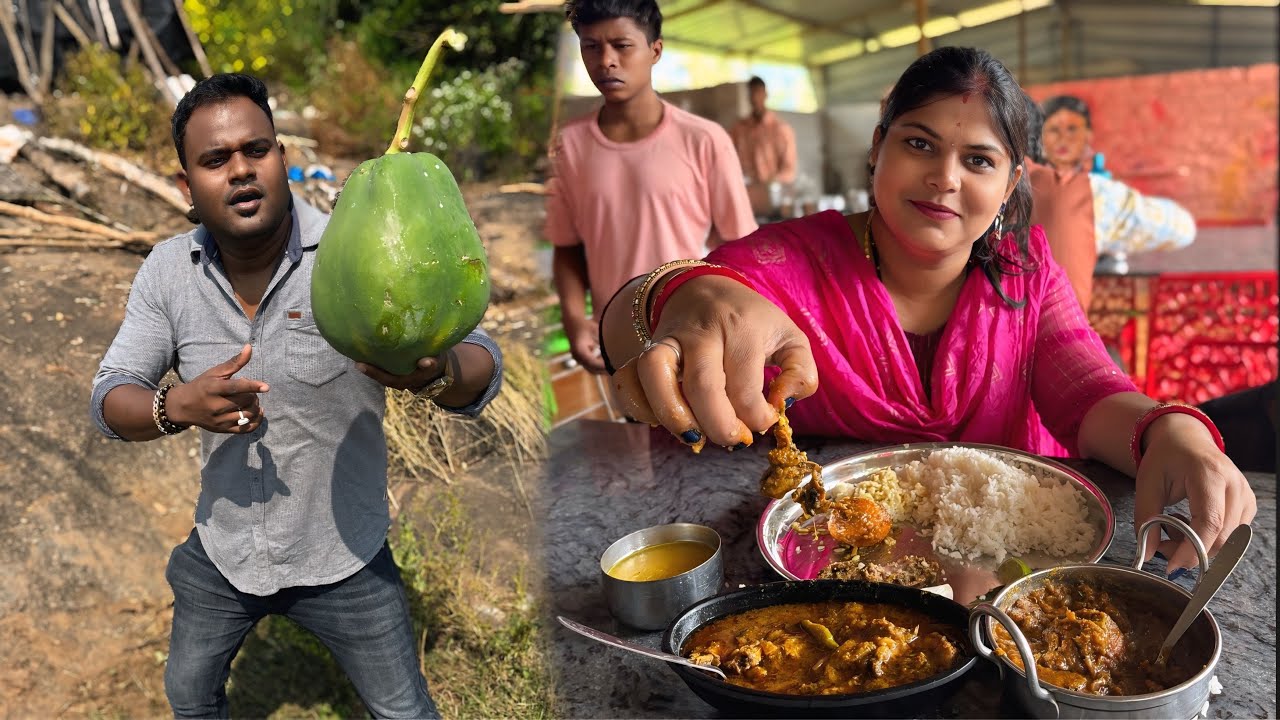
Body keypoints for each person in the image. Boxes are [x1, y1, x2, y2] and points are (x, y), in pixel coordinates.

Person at [598, 47, 1255, 580]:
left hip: (1007, 577)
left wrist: (1174, 432)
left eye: (978, 160)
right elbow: (643, 314)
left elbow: (1085, 387)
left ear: (1009, 183)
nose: (945, 177)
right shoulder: (795, 262)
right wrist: (681, 294)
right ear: (878, 145)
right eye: (919, 144)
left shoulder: (1024, 273)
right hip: (827, 574)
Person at [89, 74, 503, 718]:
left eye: (256, 150)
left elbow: (480, 357)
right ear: (186, 188)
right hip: (224, 551)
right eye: (215, 160)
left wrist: (439, 372)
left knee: (404, 711)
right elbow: (112, 396)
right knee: (188, 696)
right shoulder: (169, 272)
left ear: (284, 158)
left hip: (344, 554)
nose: (240, 171)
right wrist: (176, 408)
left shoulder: (353, 247)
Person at [545, 0, 757, 374]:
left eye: (622, 45)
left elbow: (742, 251)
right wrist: (575, 319)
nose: (606, 60)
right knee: (634, 432)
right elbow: (567, 246)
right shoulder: (569, 145)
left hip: (697, 336)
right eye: (591, 47)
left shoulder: (704, 139)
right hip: (619, 341)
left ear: (655, 50)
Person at [1033, 94, 1196, 310]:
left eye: (1072, 129)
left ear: (1088, 135)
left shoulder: (1013, 180)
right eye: (1054, 130)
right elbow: (1183, 229)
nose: (1063, 138)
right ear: (1040, 137)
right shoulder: (1098, 192)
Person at [730, 76, 798, 218]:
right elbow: (728, 161)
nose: (754, 97)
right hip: (746, 202)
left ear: (765, 94)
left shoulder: (781, 129)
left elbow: (789, 170)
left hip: (775, 203)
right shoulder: (739, 129)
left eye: (758, 92)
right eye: (751, 93)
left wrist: (770, 184)